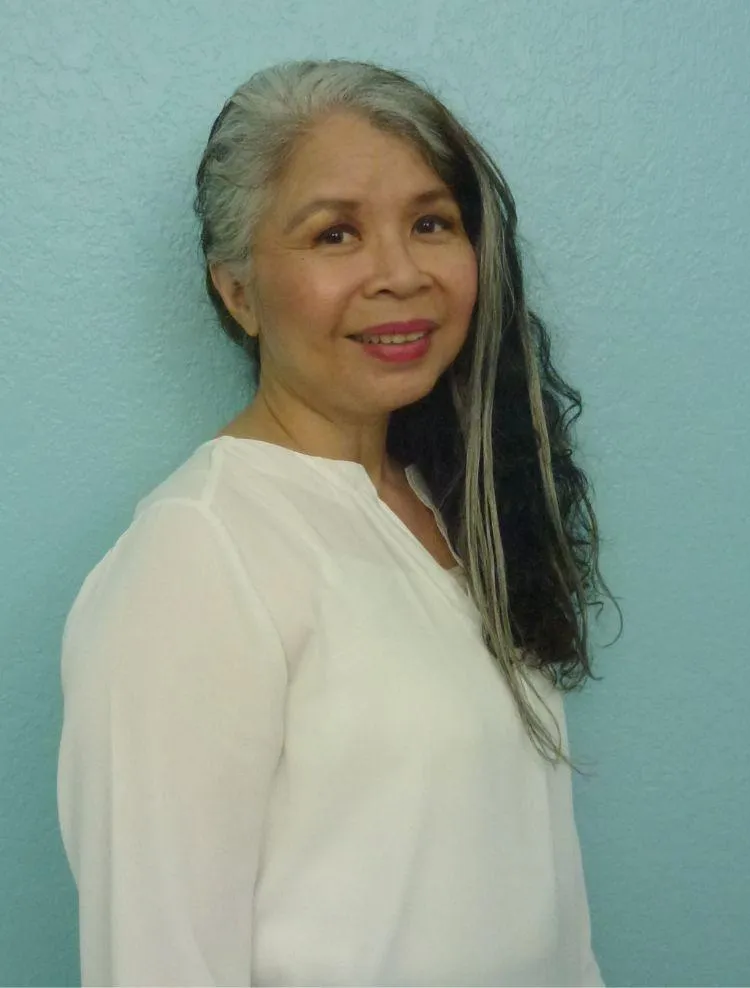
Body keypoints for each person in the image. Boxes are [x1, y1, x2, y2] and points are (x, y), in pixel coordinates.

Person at [57, 59, 619, 987]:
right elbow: (156, 961)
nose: (399, 275)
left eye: (431, 223)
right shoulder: (201, 554)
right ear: (237, 292)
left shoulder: (444, 507)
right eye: (336, 234)